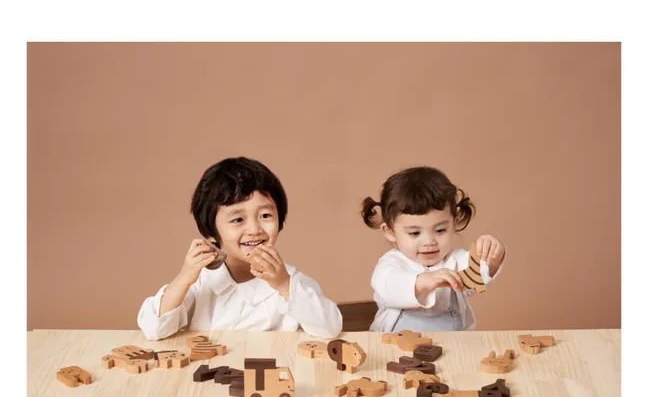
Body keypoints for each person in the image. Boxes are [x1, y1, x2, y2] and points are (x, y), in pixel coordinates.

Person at [138, 157, 342, 340]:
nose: (254, 229)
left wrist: (284, 285)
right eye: (237, 219)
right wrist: (185, 276)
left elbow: (330, 328)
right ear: (210, 232)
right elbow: (153, 328)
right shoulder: (201, 282)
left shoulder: (291, 280)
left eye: (265, 216)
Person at [361, 166, 506, 332]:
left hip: (453, 345)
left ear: (454, 223)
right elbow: (388, 287)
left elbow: (479, 273)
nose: (429, 241)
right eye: (415, 233)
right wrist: (422, 281)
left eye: (440, 230)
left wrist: (492, 253)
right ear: (390, 232)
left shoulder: (456, 260)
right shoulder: (391, 264)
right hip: (396, 344)